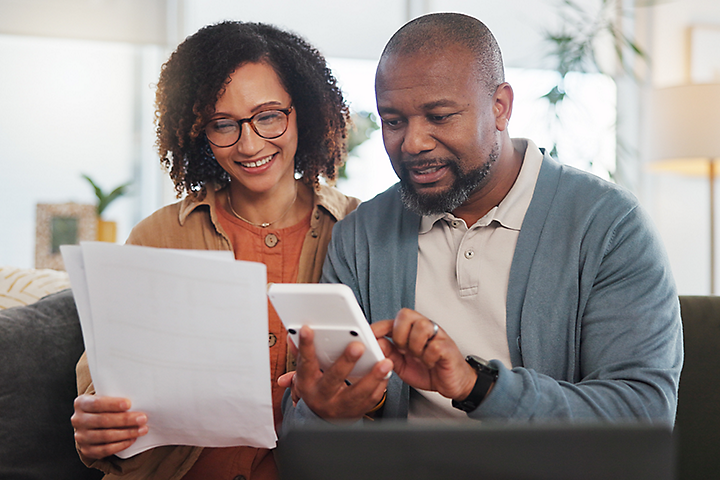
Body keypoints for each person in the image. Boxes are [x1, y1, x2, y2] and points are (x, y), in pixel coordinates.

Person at [280, 12, 683, 427]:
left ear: (500, 107)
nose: (413, 143)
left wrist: (478, 386)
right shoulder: (361, 234)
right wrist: (343, 408)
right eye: (393, 121)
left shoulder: (608, 226)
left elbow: (643, 415)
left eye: (439, 116)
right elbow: (302, 435)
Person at [70, 21, 359, 479]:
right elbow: (100, 391)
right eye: (222, 124)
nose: (249, 144)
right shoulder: (158, 236)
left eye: (268, 116)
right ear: (198, 132)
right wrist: (95, 427)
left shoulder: (359, 231)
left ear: (301, 109)